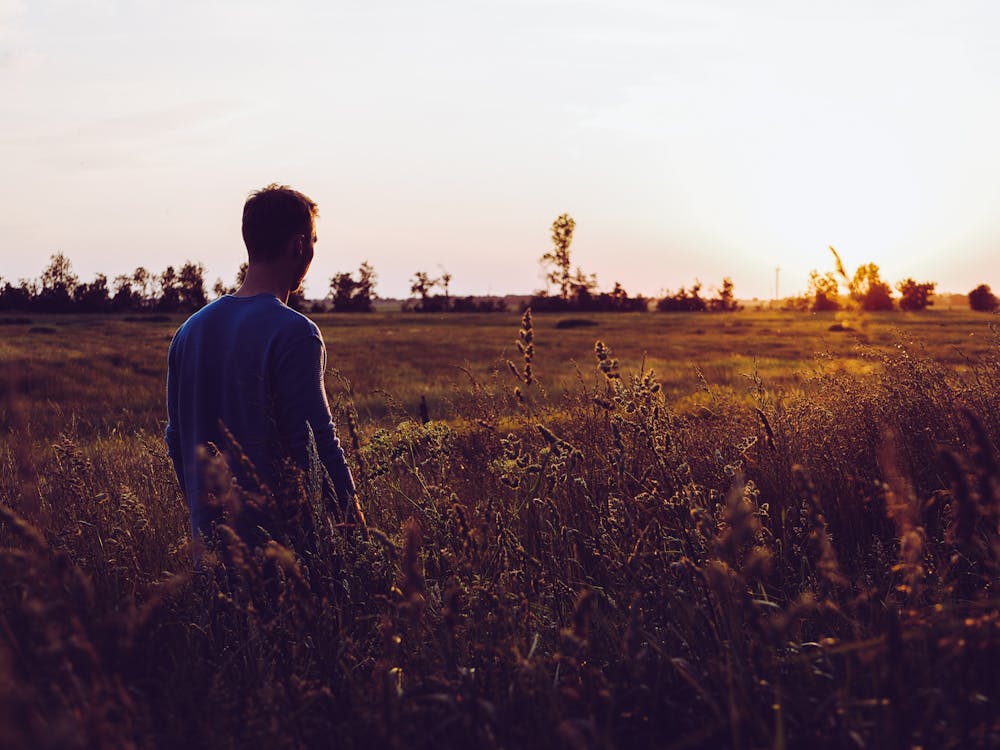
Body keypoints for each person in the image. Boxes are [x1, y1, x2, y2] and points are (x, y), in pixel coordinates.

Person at [166, 183, 359, 542]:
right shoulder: (295, 333)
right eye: (313, 241)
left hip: (211, 556)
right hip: (283, 561)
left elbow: (176, 440)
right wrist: (358, 533)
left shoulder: (188, 332)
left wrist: (203, 515)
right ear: (298, 245)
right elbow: (316, 447)